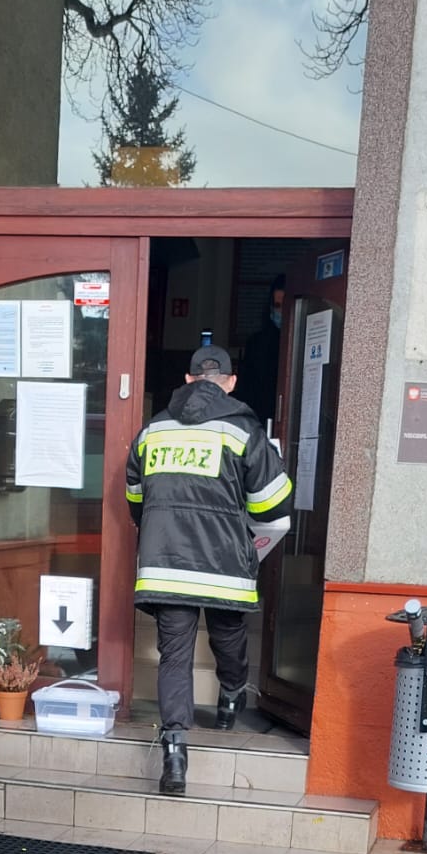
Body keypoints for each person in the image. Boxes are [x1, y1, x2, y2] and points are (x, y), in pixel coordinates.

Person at [126, 344, 292, 795]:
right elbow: (273, 504)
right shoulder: (242, 431)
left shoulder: (153, 431)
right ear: (231, 382)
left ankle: (175, 754)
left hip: (165, 565)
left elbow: (136, 497)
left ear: (187, 379)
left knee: (174, 658)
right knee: (229, 637)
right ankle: (231, 696)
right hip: (223, 565)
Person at [236, 275, 285, 432]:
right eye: (277, 305)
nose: (281, 311)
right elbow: (248, 390)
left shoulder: (302, 339)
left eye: (285, 305)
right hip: (259, 423)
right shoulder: (257, 343)